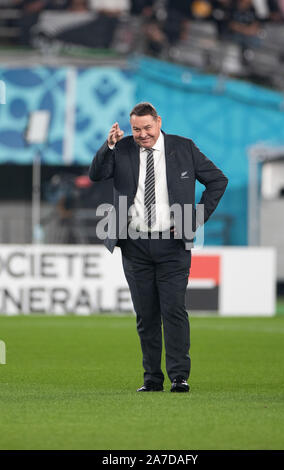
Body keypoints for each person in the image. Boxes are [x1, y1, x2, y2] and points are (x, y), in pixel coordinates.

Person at [89, 102, 228, 393]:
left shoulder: (184, 148)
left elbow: (217, 180)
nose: (142, 134)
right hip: (134, 243)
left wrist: (196, 217)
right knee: (146, 314)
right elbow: (96, 174)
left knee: (174, 310)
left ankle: (179, 377)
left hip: (173, 244)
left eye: (147, 128)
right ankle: (151, 378)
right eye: (136, 129)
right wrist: (108, 147)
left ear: (158, 122)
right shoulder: (123, 148)